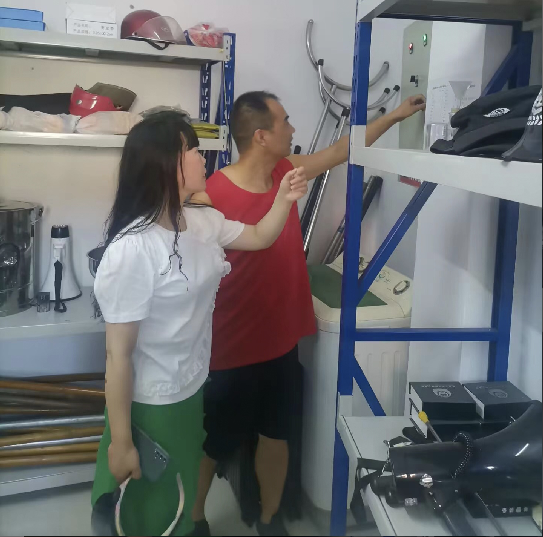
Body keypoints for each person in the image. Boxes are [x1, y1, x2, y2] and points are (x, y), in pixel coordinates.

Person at [190, 92, 426, 536]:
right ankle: (195, 518)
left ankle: (269, 519)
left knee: (276, 435)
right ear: (261, 136)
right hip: (230, 346)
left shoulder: (286, 171)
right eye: (284, 121)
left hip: (280, 341)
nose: (292, 128)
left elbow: (341, 150)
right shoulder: (213, 194)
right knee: (214, 442)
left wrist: (396, 115)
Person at [90, 111, 308, 536]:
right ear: (166, 163)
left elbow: (260, 236)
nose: (202, 156)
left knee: (179, 501)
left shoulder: (202, 223)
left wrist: (283, 198)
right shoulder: (132, 249)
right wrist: (121, 441)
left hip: (192, 390)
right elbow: (118, 355)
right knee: (146, 515)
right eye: (191, 149)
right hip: (151, 404)